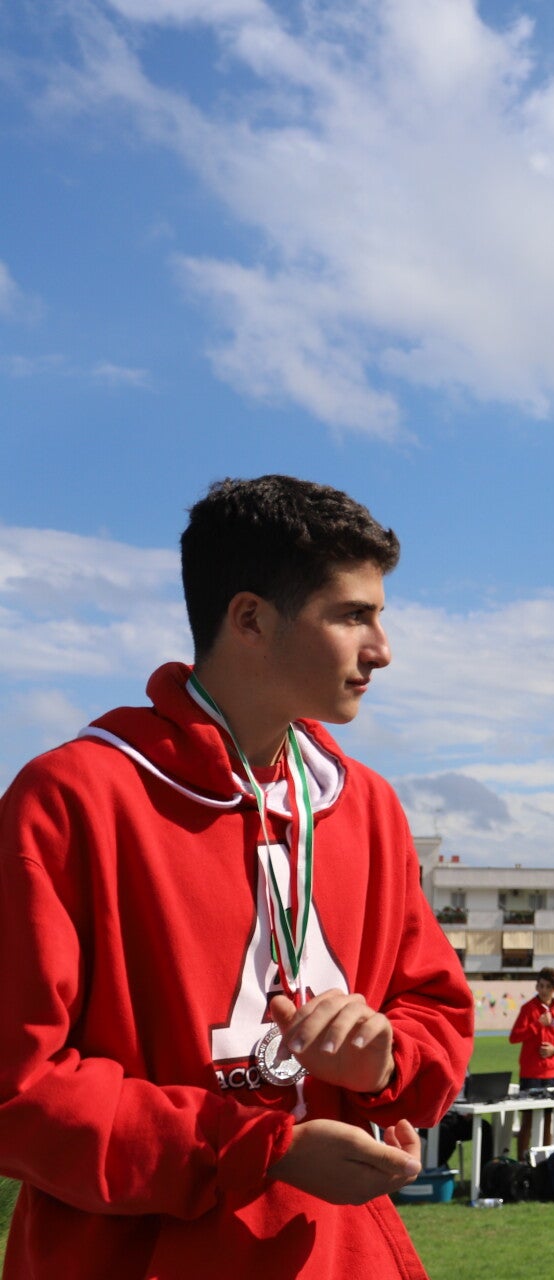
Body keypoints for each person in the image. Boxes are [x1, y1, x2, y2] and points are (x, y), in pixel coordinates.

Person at [0, 475, 475, 1278]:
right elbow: (19, 1087)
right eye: (352, 615)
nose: (381, 649)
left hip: (341, 1256)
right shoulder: (73, 797)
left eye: (378, 616)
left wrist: (384, 1061)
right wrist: (260, 1148)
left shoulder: (367, 806)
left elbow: (434, 1006)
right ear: (249, 618)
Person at [509, 967, 554, 1157]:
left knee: (548, 1119)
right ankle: (522, 1160)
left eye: (547, 986)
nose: (543, 990)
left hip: (551, 1073)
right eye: (540, 986)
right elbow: (514, 1037)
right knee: (527, 1119)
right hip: (530, 1072)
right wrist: (536, 1025)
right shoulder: (528, 1009)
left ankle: (545, 1159)